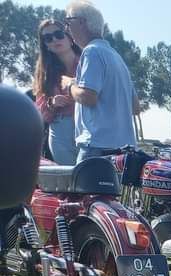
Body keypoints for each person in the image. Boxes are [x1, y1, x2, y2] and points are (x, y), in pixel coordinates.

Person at [63, 1, 137, 162]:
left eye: (68, 22)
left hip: (96, 147)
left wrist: (70, 85)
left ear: (81, 22)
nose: (66, 29)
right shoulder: (117, 58)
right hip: (123, 151)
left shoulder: (91, 51)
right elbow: (135, 107)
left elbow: (88, 97)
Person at [32, 18, 81, 165]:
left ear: (70, 37)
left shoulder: (87, 62)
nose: (54, 40)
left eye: (58, 34)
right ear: (46, 45)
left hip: (90, 128)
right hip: (61, 132)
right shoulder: (45, 73)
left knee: (92, 175)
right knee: (69, 177)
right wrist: (52, 103)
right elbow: (40, 111)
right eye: (48, 38)